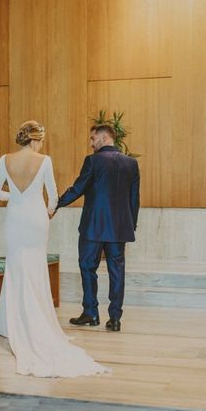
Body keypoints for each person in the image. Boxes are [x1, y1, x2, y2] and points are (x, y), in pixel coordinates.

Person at [0, 120, 108, 377]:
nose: (42, 145)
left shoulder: (4, 159)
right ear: (36, 139)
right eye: (41, 140)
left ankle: (10, 323)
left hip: (15, 218)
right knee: (35, 266)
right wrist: (46, 208)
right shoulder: (44, 160)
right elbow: (52, 195)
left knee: (15, 264)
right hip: (36, 218)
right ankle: (37, 322)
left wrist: (16, 197)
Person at [57, 124, 140, 333]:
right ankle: (115, 319)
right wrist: (131, 224)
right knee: (117, 271)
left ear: (104, 138)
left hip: (93, 226)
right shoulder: (131, 163)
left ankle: (91, 312)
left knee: (87, 267)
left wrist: (56, 204)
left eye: (93, 139)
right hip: (119, 228)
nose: (91, 143)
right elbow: (134, 199)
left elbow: (78, 188)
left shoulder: (93, 161)